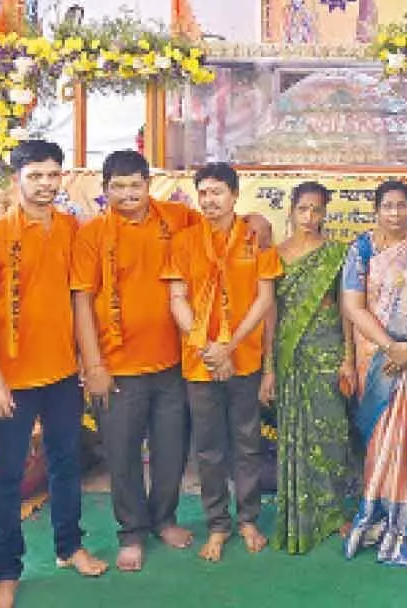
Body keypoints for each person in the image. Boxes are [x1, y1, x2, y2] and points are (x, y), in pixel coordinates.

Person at [0, 140, 108, 608]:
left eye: (54, 175)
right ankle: (7, 571)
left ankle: (70, 547)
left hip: (63, 376)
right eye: (36, 176)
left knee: (66, 463)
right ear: (17, 180)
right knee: (6, 476)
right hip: (10, 381)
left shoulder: (73, 230)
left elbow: (80, 301)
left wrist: (91, 365)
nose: (46, 184)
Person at [71, 150, 202, 572]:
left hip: (171, 364)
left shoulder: (178, 219)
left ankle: (164, 518)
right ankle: (130, 532)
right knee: (123, 455)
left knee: (171, 450)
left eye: (135, 185)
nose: (128, 194)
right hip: (116, 368)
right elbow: (81, 301)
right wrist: (93, 366)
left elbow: (221, 231)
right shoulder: (91, 235)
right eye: (118, 186)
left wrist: (255, 224)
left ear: (149, 185)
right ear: (105, 190)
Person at [164, 162, 281, 563]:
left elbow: (266, 300)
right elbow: (177, 297)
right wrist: (206, 347)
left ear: (235, 195)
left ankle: (248, 518)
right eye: (204, 193)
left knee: (247, 443)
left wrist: (228, 347)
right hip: (200, 363)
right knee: (209, 449)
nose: (210, 200)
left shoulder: (255, 238)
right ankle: (217, 524)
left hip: (244, 359)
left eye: (218, 192)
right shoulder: (184, 241)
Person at [342, 180, 407, 567]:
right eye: (387, 206)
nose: (394, 213)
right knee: (380, 437)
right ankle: (382, 513)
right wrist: (391, 347)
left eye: (401, 206)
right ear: (376, 209)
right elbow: (354, 307)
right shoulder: (362, 249)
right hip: (377, 359)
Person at [271, 181, 355, 554]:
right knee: (295, 433)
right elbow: (270, 317)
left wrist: (349, 358)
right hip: (290, 355)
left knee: (333, 435)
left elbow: (347, 311)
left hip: (328, 352)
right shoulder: (274, 256)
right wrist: (269, 367)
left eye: (317, 210)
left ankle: (335, 512)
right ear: (291, 209)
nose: (309, 217)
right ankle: (300, 509)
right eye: (303, 209)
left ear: (325, 214)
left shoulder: (337, 255)